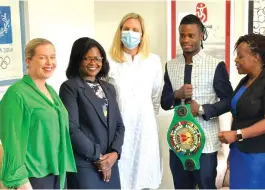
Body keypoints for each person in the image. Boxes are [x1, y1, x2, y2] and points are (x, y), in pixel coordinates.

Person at [161, 14, 233, 189]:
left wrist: (202, 109)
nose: (186, 40)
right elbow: (164, 102)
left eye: (191, 35)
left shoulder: (216, 65)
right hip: (178, 140)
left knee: (206, 186)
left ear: (201, 36)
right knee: (181, 186)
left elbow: (229, 101)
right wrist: (176, 94)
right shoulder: (171, 65)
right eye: (182, 35)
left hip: (206, 144)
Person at [0, 38, 76, 189]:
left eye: (52, 57)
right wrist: (21, 182)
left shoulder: (51, 91)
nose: (49, 62)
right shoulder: (16, 94)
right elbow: (11, 142)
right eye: (42, 57)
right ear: (28, 61)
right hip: (33, 177)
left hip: (56, 172)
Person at [218, 33, 265, 189]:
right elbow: (237, 113)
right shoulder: (245, 80)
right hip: (239, 152)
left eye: (240, 56)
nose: (236, 60)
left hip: (259, 154)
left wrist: (236, 135)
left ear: (256, 57)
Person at [59, 37, 124, 189]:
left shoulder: (109, 88)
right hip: (86, 166)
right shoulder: (70, 87)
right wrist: (100, 158)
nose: (93, 63)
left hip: (111, 164)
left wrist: (115, 154)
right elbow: (72, 129)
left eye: (97, 58)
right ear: (77, 60)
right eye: (87, 58)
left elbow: (119, 125)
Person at [108, 13, 163, 189]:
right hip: (118, 128)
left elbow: (156, 97)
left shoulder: (153, 61)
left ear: (142, 34)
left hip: (145, 129)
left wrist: (144, 115)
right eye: (126, 29)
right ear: (120, 31)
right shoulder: (109, 60)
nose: (130, 33)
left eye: (135, 30)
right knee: (121, 176)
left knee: (144, 175)